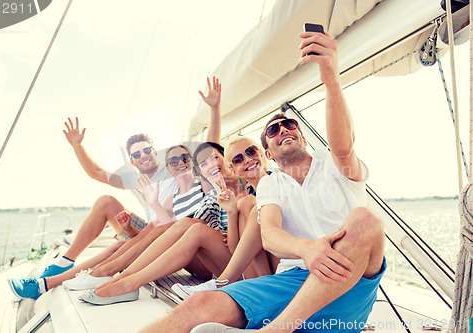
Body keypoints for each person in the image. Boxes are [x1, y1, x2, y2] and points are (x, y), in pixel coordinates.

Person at [139, 30, 385, 333]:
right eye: (273, 130)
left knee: (365, 219)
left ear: (303, 136)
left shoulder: (334, 164)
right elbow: (269, 236)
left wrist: (331, 78)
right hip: (291, 280)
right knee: (196, 308)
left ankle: (275, 329)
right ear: (269, 151)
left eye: (289, 124)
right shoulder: (272, 184)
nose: (283, 129)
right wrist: (308, 249)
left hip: (347, 279)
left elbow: (343, 145)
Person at [7, 77, 223, 299]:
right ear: (132, 161)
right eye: (137, 154)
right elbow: (95, 173)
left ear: (155, 151)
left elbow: (209, 150)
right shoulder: (134, 178)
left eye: (147, 151)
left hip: (170, 231)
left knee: (129, 241)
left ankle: (69, 280)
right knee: (107, 203)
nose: (144, 156)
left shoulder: (175, 168)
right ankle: (65, 263)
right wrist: (77, 146)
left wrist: (214, 110)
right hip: (156, 228)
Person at [77, 142, 250, 305]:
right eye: (203, 163)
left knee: (188, 226)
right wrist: (151, 206)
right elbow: (166, 231)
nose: (210, 164)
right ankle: (119, 278)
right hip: (216, 256)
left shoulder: (238, 192)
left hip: (238, 265)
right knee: (173, 225)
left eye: (214, 158)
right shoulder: (214, 196)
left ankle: (122, 280)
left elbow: (236, 241)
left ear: (226, 159)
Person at [171, 137, 279, 299]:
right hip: (259, 270)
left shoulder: (279, 181)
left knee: (250, 203)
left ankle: (223, 282)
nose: (248, 160)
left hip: (283, 259)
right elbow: (236, 249)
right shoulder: (242, 200)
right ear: (234, 170)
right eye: (238, 159)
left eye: (251, 152)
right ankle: (267, 284)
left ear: (262, 154)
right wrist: (231, 212)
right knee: (244, 204)